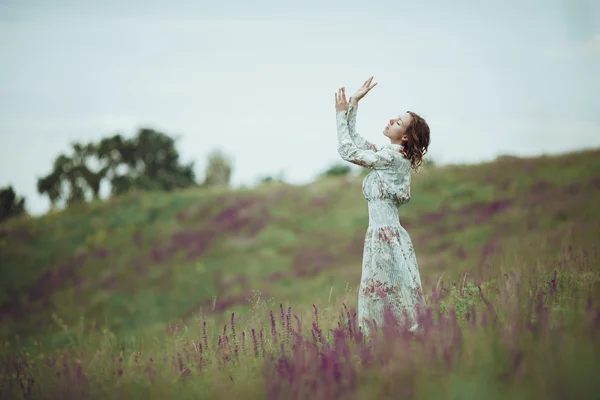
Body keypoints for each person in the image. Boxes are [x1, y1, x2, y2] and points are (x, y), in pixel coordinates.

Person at [334, 76, 430, 337]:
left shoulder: (388, 157)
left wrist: (340, 114)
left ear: (407, 137)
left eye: (398, 122)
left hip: (383, 236)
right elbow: (355, 139)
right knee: (391, 294)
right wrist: (354, 103)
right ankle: (392, 345)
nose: (391, 120)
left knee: (383, 295)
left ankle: (382, 345)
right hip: (388, 234)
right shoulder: (393, 156)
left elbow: (347, 150)